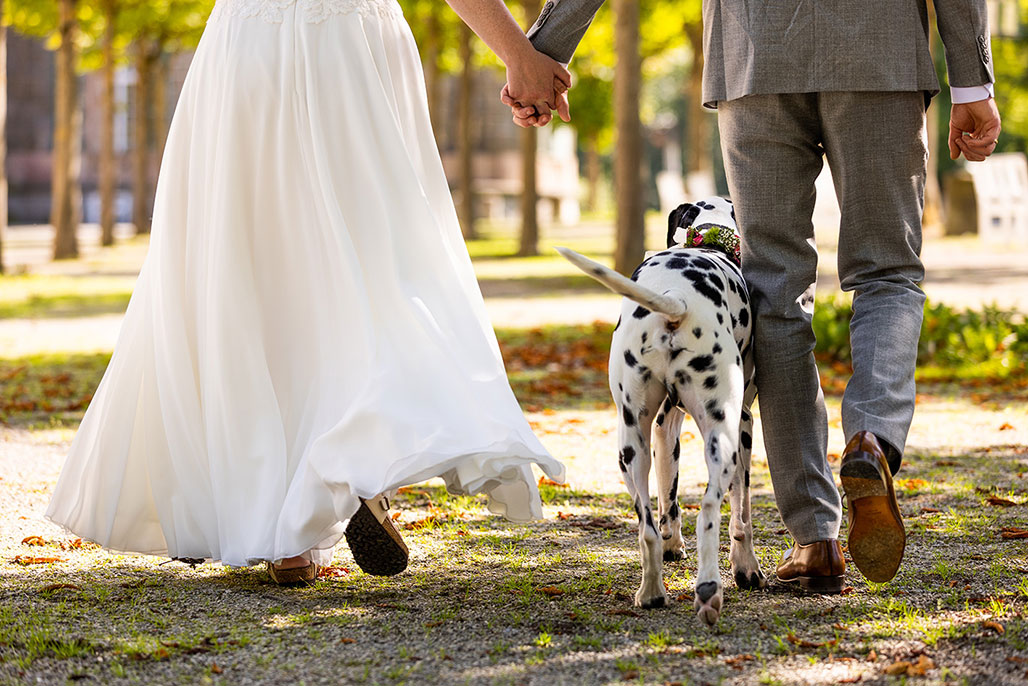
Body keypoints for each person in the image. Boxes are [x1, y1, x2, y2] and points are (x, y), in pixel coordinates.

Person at [46, 0, 571, 585]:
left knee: (258, 267)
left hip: (246, 45)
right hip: (348, 44)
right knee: (379, 264)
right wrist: (518, 53)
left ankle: (283, 527)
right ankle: (355, 457)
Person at [506, 0, 1001, 589]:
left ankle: (815, 537)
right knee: (887, 274)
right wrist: (971, 77)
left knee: (776, 293)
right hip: (879, 51)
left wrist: (542, 50)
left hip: (753, 56)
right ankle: (873, 439)